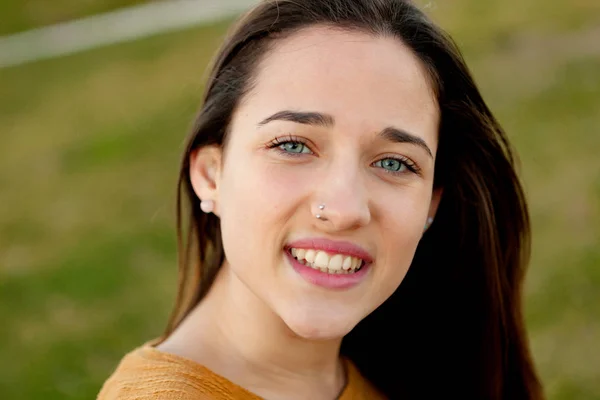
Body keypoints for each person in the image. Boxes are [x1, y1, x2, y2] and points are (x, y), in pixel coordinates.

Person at [98, 0, 545, 398]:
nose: (346, 208)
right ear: (211, 175)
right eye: (293, 145)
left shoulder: (408, 372)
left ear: (431, 204)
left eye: (394, 163)